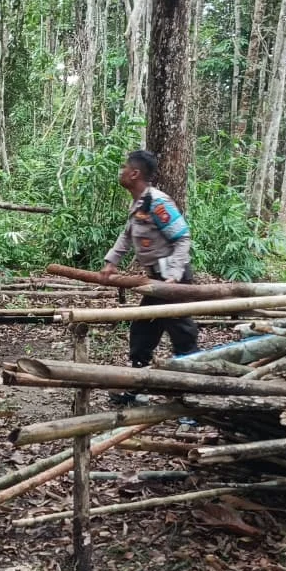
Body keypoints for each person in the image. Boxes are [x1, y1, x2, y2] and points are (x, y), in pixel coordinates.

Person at [99, 149, 199, 405]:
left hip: (172, 282)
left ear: (134, 173)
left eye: (124, 167)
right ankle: (137, 388)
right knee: (143, 331)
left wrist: (175, 276)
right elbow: (126, 235)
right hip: (154, 281)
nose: (120, 171)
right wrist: (111, 262)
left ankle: (192, 397)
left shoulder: (158, 202)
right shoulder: (139, 202)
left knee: (182, 336)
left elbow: (182, 237)